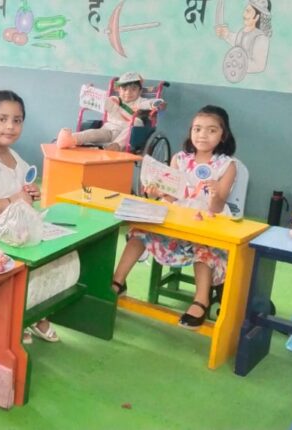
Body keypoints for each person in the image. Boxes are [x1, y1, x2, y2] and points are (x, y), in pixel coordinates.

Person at [0, 90, 78, 344]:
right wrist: (13, 200)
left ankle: (32, 312)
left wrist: (29, 193)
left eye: (17, 120)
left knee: (63, 254)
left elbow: (17, 192)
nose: (10, 126)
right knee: (33, 259)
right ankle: (17, 316)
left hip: (10, 228)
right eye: (2, 119)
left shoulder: (13, 156)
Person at [111, 105, 238, 329]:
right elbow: (171, 197)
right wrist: (157, 193)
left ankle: (201, 300)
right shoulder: (180, 159)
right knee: (139, 232)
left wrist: (216, 194)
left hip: (207, 223)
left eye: (211, 130)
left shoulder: (227, 166)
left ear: (223, 135)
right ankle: (118, 281)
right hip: (176, 222)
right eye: (197, 129)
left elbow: (217, 208)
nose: (202, 135)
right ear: (190, 132)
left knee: (204, 248)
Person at [60, 72, 165, 151]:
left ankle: (116, 146)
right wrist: (90, 92)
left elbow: (149, 103)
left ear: (139, 91)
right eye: (124, 89)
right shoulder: (114, 100)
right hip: (108, 130)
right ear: (119, 90)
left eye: (133, 89)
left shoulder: (140, 101)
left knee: (136, 123)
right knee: (92, 133)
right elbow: (100, 100)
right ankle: (70, 139)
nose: (128, 93)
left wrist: (157, 103)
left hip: (125, 134)